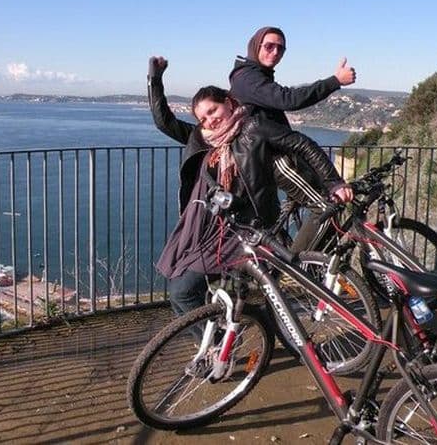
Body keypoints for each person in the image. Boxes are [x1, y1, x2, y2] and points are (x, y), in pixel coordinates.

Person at [148, 56, 349, 316]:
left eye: (213, 111)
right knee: (183, 292)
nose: (210, 120)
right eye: (203, 118)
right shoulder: (204, 138)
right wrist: (155, 79)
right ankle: (235, 335)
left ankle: (239, 335)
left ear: (229, 102)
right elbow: (164, 122)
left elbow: (302, 144)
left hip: (247, 228)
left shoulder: (253, 128)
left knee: (184, 292)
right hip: (213, 228)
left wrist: (333, 182)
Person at [229, 26, 357, 251]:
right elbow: (288, 99)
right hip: (271, 157)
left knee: (322, 204)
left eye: (280, 49)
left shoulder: (256, 75)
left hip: (276, 153)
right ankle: (296, 267)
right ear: (256, 46)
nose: (275, 52)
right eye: (269, 46)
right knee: (325, 206)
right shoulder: (248, 78)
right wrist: (335, 81)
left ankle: (306, 259)